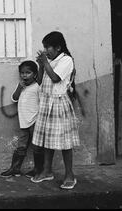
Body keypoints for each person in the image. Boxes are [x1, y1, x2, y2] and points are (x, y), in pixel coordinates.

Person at [31, 31, 79, 190]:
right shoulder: (49, 61)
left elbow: (56, 78)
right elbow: (39, 81)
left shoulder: (66, 60)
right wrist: (40, 65)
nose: (45, 50)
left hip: (58, 103)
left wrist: (45, 63)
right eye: (44, 47)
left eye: (47, 47)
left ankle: (70, 175)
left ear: (58, 47)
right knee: (46, 140)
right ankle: (47, 171)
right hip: (46, 103)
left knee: (65, 143)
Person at [0, 60, 44, 178]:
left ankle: (38, 169)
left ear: (35, 74)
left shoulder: (38, 87)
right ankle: (15, 168)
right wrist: (20, 88)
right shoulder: (21, 86)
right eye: (22, 73)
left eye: (28, 73)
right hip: (23, 122)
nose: (24, 75)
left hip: (35, 121)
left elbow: (42, 102)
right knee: (21, 146)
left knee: (37, 147)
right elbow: (14, 98)